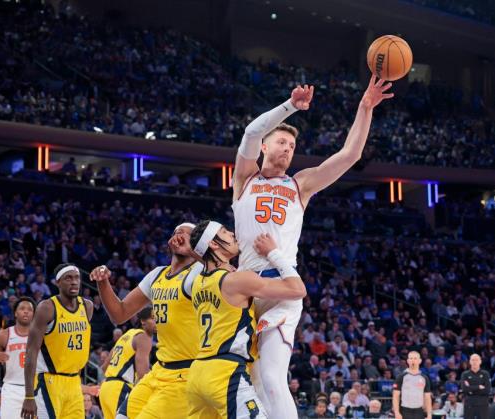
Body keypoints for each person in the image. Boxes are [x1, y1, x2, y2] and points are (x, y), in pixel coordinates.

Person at [232, 76, 393, 418]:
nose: (288, 149)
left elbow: (350, 155)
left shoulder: (300, 184)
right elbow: (249, 132)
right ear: (265, 145)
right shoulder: (245, 178)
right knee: (252, 382)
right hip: (242, 290)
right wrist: (291, 107)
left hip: (280, 286)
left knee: (274, 379)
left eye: (292, 146)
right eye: (281, 142)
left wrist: (365, 107)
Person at [185, 220, 306, 418]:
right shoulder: (237, 280)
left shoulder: (197, 282)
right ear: (213, 244)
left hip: (197, 374)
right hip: (225, 372)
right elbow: (298, 290)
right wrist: (273, 253)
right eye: (224, 231)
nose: (232, 233)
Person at [90, 223, 202, 419]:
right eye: (176, 231)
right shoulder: (157, 274)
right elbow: (119, 313)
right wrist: (103, 282)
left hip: (186, 373)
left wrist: (196, 253)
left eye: (187, 233)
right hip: (160, 370)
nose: (179, 234)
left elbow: (221, 268)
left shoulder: (200, 271)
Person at [21, 263, 94, 419]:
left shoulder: (87, 306)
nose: (74, 282)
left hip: (74, 382)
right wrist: (29, 396)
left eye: (77, 278)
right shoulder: (47, 308)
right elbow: (30, 351)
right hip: (49, 381)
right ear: (58, 282)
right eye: (68, 278)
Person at [99, 307, 155, 419]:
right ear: (143, 321)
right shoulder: (144, 337)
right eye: (153, 318)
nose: (158, 321)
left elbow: (105, 367)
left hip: (106, 388)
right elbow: (143, 374)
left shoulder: (126, 335)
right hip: (121, 388)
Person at [0, 297, 35, 419]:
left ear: (34, 314)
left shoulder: (43, 335)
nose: (26, 311)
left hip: (36, 387)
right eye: (22, 308)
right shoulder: (3, 335)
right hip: (12, 388)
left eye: (30, 309)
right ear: (15, 313)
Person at [392, 351, 432, 419]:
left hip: (419, 411)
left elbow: (427, 398)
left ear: (420, 361)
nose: (413, 360)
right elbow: (395, 396)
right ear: (408, 361)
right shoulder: (401, 377)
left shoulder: (424, 378)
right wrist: (396, 412)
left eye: (415, 358)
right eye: (411, 358)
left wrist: (429, 414)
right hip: (404, 411)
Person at [460, 354, 491, 419]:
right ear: (470, 362)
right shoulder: (465, 374)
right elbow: (464, 389)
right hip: (469, 404)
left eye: (476, 360)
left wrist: (471, 389)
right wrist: (479, 387)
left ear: (480, 361)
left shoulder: (485, 374)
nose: (474, 362)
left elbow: (487, 390)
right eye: (473, 360)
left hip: (483, 404)